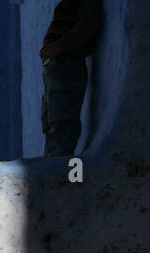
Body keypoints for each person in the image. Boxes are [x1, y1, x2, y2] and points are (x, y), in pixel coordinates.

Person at [40, 0, 104, 158]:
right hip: (55, 68)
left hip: (65, 65)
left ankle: (59, 168)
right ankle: (53, 166)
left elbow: (88, 26)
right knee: (51, 122)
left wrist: (59, 47)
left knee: (61, 122)